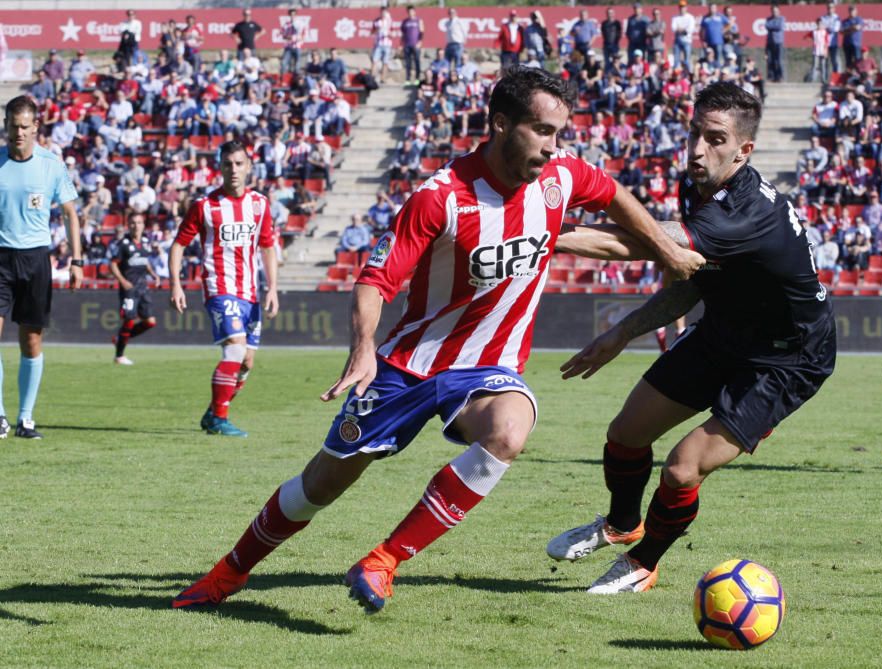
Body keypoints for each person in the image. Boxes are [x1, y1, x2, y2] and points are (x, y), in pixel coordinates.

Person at [170, 66, 703, 615]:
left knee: (510, 430)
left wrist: (664, 247)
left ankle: (383, 561)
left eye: (559, 133)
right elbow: (375, 280)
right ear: (499, 124)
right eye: (542, 131)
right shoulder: (440, 197)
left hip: (486, 369)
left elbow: (613, 194)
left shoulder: (559, 178)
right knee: (320, 485)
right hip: (407, 365)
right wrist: (361, 351)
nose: (553, 146)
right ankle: (230, 571)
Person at [545, 82, 836, 594]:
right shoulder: (696, 185)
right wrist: (621, 332)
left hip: (784, 360)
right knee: (625, 434)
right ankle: (621, 524)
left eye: (715, 138)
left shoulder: (749, 210)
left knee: (681, 470)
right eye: (694, 134)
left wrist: (547, 232)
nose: (698, 148)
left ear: (744, 150)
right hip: (722, 332)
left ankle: (643, 561)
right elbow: (688, 281)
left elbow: (646, 244)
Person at [167, 141, 279, 438]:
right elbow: (178, 244)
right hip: (219, 287)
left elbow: (268, 247)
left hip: (251, 292)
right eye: (228, 164)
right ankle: (219, 418)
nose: (233, 170)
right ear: (220, 167)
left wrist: (273, 289)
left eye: (239, 163)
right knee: (235, 348)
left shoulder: (259, 204)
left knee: (246, 362)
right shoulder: (205, 206)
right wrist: (176, 284)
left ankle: (213, 411)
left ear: (249, 167)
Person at [0, 95, 83, 439]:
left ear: (36, 127)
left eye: (24, 126)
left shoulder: (51, 164)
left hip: (35, 258)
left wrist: (77, 261)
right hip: (1, 255)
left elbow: (70, 214)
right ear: (5, 126)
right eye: (12, 126)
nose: (18, 133)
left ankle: (26, 418)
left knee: (31, 340)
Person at [110, 212, 158, 365]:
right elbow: (112, 264)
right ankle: (119, 356)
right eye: (132, 223)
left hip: (142, 286)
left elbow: (145, 262)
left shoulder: (146, 241)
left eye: (139, 222)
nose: (136, 225)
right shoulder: (123, 244)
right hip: (129, 287)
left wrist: (153, 275)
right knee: (129, 320)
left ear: (143, 225)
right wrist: (123, 281)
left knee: (150, 322)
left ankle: (120, 339)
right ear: (128, 225)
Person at [400, 6, 424, 86]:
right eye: (409, 11)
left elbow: (421, 32)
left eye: (412, 11)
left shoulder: (418, 20)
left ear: (414, 12)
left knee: (417, 62)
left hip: (415, 44)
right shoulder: (405, 22)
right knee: (408, 63)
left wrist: (419, 42)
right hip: (407, 45)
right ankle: (408, 79)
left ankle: (417, 79)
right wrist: (401, 44)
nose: (411, 13)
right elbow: (403, 34)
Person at [671, 1, 696, 73]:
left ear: (686, 7)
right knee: (676, 60)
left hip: (687, 41)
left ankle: (687, 75)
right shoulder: (675, 17)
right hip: (677, 41)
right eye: (681, 7)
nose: (682, 8)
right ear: (679, 8)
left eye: (684, 7)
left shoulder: (690, 17)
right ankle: (675, 76)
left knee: (687, 60)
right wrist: (683, 29)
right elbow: (674, 29)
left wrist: (680, 29)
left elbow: (689, 30)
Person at [280, 8, 306, 76]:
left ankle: (296, 78)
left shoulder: (300, 23)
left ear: (296, 15)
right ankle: (284, 78)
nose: (292, 16)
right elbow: (283, 35)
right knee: (284, 62)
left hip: (297, 46)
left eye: (294, 15)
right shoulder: (286, 24)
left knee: (297, 64)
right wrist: (288, 37)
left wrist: (296, 37)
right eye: (291, 15)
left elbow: (303, 35)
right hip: (288, 46)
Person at [764, 5, 785, 83]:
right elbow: (766, 26)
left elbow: (779, 27)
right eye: (773, 11)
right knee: (770, 60)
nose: (774, 12)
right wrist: (772, 26)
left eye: (776, 11)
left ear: (779, 11)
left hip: (778, 42)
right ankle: (771, 77)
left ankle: (779, 76)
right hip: (770, 42)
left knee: (778, 60)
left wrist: (771, 27)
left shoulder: (782, 19)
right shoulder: (768, 19)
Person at [841, 5, 863, 72]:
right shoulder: (845, 21)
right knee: (848, 61)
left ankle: (859, 76)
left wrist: (848, 30)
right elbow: (842, 32)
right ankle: (849, 77)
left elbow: (858, 27)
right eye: (850, 10)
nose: (851, 12)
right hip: (847, 44)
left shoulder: (858, 19)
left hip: (856, 44)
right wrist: (852, 28)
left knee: (858, 61)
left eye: (853, 10)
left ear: (856, 11)